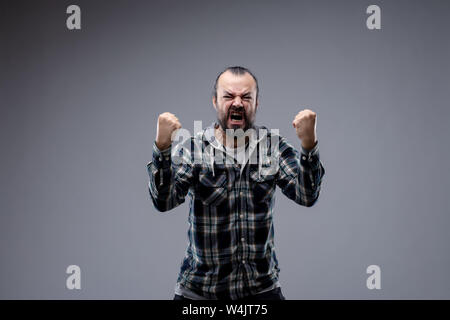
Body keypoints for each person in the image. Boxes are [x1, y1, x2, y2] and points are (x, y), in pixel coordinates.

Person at [146, 66, 325, 300]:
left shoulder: (273, 147)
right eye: (229, 96)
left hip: (261, 292)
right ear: (215, 101)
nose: (238, 103)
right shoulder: (194, 148)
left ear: (256, 103)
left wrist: (309, 146)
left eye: (246, 97)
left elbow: (306, 196)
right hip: (201, 294)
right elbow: (163, 201)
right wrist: (162, 148)